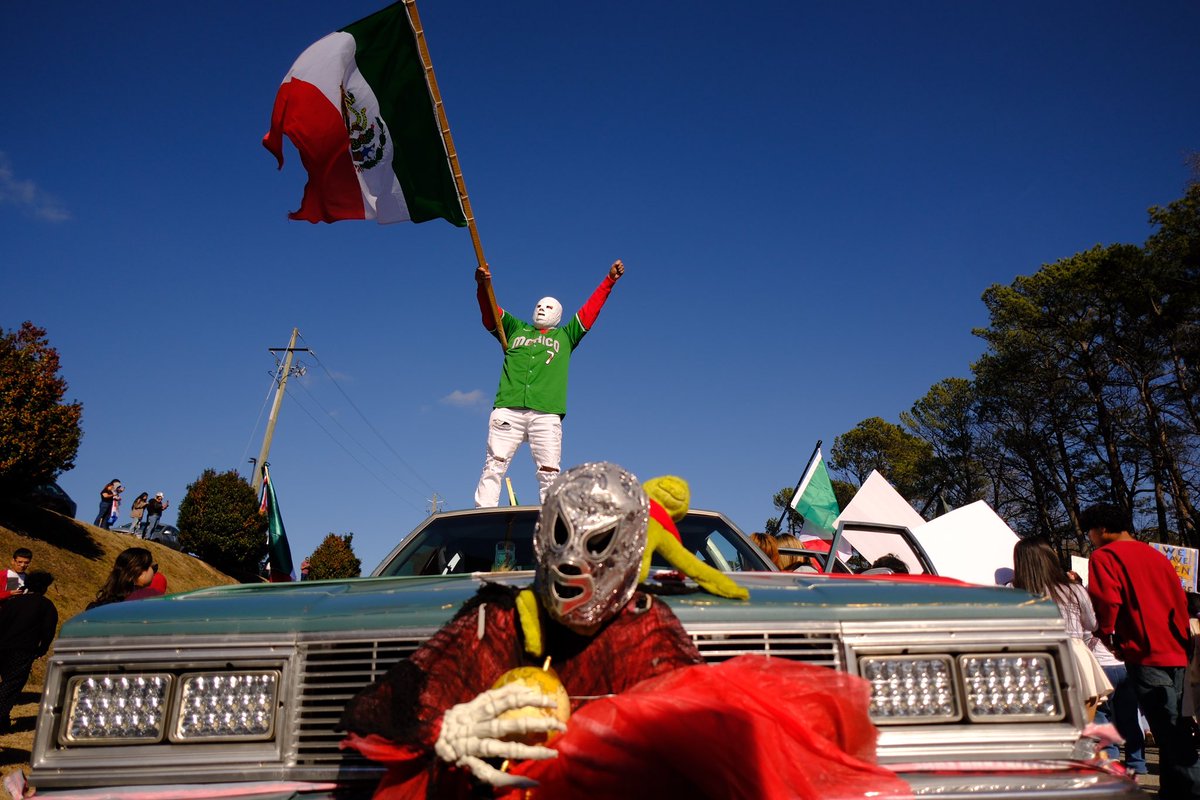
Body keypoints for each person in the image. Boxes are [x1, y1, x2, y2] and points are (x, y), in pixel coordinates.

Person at [342, 463, 906, 799]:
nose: (572, 562)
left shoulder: (644, 627)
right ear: (541, 541)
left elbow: (701, 739)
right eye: (561, 537)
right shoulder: (499, 617)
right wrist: (443, 725)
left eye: (598, 544)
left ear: (633, 552)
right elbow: (372, 707)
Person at [472, 260, 624, 507]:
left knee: (549, 472)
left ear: (558, 314)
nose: (542, 309)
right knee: (494, 464)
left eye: (549, 306)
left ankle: (550, 519)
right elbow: (491, 315)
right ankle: (484, 510)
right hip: (508, 409)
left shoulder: (565, 336)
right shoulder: (514, 329)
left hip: (546, 413)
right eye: (539, 305)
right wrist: (483, 287)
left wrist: (609, 281)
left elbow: (589, 311)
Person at [1083, 502, 1200, 796]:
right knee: (1174, 728)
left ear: (1102, 529)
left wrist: (1106, 636)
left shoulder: (1104, 556)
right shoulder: (1157, 556)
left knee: (1171, 733)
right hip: (1178, 650)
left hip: (1145, 651)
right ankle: (1172, 791)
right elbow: (1181, 603)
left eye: (1090, 532)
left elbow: (1107, 602)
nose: (1091, 538)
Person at [1012, 536, 1113, 721]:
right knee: (1082, 725)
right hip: (1075, 653)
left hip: (1033, 657)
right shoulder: (1074, 590)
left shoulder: (1011, 592)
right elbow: (1092, 625)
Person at [0, 570, 58, 732]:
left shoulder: (12, 602)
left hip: (2, 645)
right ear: (45, 587)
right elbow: (48, 630)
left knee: (7, 682)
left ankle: (3, 719)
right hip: (23, 650)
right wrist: (42, 649)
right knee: (12, 684)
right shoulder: (46, 606)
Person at [86, 547, 159, 609]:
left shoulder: (100, 607)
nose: (153, 571)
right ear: (135, 572)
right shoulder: (131, 609)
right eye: (151, 566)